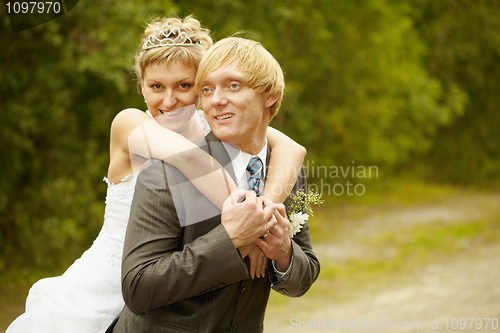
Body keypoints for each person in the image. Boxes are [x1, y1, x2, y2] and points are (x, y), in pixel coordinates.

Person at [6, 17, 306, 333]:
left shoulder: (212, 124)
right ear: (142, 87)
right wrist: (250, 225)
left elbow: (292, 149)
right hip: (103, 291)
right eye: (156, 87)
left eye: (184, 86)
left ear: (202, 88)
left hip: (166, 294)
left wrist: (262, 216)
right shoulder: (130, 124)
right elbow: (193, 160)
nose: (168, 100)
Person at [107, 36, 320, 333]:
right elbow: (139, 287)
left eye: (233, 85)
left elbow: (304, 276)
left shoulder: (286, 171)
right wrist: (232, 239)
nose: (216, 100)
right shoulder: (167, 170)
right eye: (206, 89)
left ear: (270, 94)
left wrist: (283, 253)